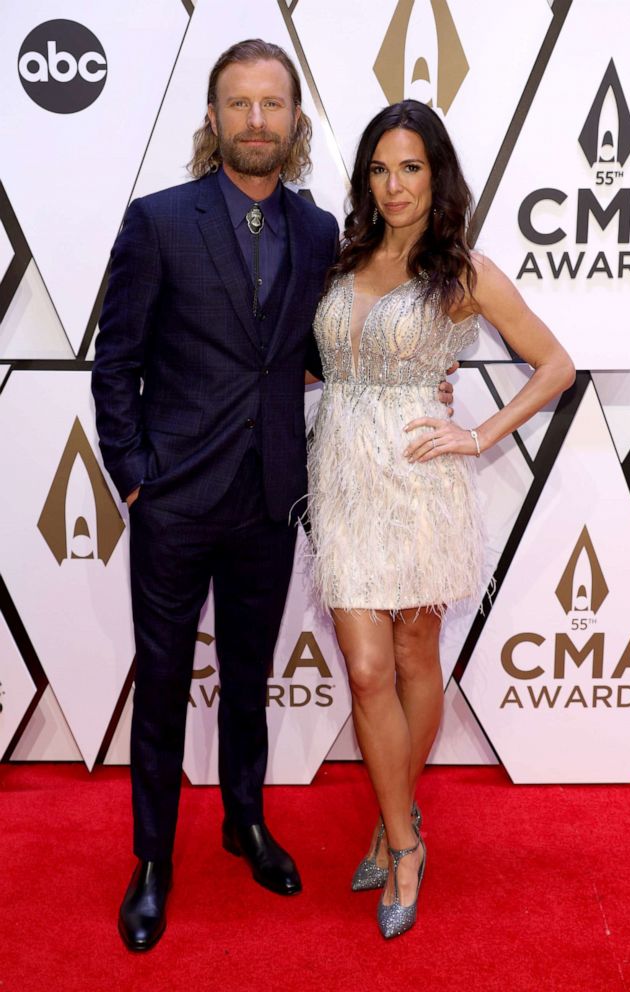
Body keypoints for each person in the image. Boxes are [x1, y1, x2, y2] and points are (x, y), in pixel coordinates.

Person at [91, 39, 345, 952]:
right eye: (238, 105)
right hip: (174, 499)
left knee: (249, 682)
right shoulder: (158, 221)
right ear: (212, 118)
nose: (255, 121)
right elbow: (114, 359)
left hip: (270, 497)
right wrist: (135, 475)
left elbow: (313, 352)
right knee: (159, 688)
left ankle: (245, 823)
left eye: (271, 105)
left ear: (294, 121)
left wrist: (399, 376)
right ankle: (152, 860)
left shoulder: (318, 231)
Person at [307, 100, 575, 939]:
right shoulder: (342, 255)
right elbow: (324, 367)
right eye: (380, 169)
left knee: (415, 652)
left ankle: (400, 838)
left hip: (421, 478)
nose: (394, 186)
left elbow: (554, 365)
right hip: (344, 477)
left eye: (410, 168)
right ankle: (401, 827)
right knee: (363, 667)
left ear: (437, 176)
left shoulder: (462, 271)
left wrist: (478, 432)